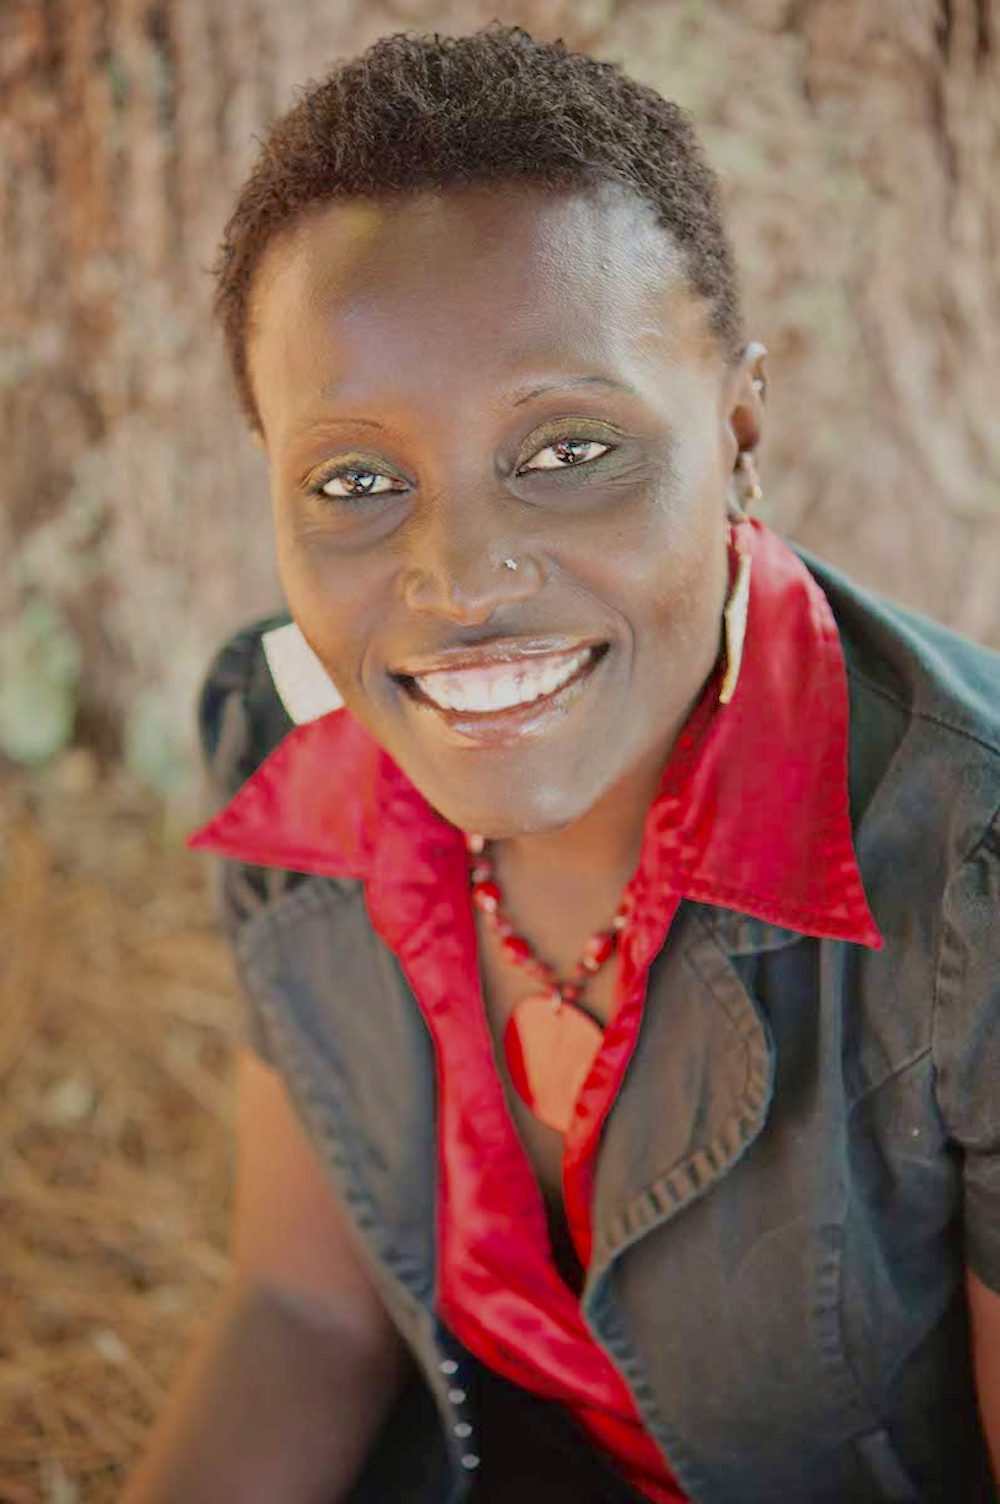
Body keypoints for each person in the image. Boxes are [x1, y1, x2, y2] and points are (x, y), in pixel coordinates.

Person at [122, 22, 1000, 1504]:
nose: (460, 578)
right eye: (354, 480)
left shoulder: (970, 878)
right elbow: (302, 1310)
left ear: (736, 428)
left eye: (566, 449)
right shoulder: (291, 763)